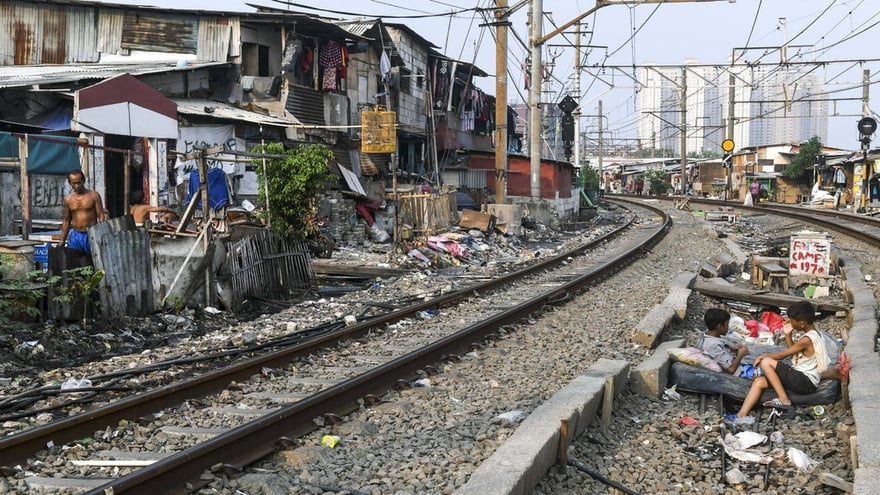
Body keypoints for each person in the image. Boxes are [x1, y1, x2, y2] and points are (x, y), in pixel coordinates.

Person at [724, 301, 829, 425]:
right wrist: (788, 335)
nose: (790, 322)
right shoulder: (810, 335)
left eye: (792, 320)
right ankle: (740, 416)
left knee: (766, 362)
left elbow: (784, 354)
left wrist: (763, 356)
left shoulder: (807, 339)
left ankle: (784, 399)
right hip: (799, 379)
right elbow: (794, 353)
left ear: (802, 323)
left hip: (805, 382)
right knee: (759, 382)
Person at [60, 169, 106, 255]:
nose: (77, 186)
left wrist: (101, 234)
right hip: (75, 235)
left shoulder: (93, 195)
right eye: (74, 183)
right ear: (70, 183)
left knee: (93, 261)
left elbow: (101, 216)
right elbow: (66, 220)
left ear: (83, 181)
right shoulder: (68, 199)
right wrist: (62, 240)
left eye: (79, 182)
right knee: (74, 262)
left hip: (91, 234)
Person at [697, 308, 750, 376]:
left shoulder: (712, 337)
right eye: (727, 324)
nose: (728, 327)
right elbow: (731, 370)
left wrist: (732, 349)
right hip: (739, 373)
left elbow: (722, 352)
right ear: (719, 326)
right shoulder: (712, 344)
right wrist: (740, 354)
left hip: (740, 368)